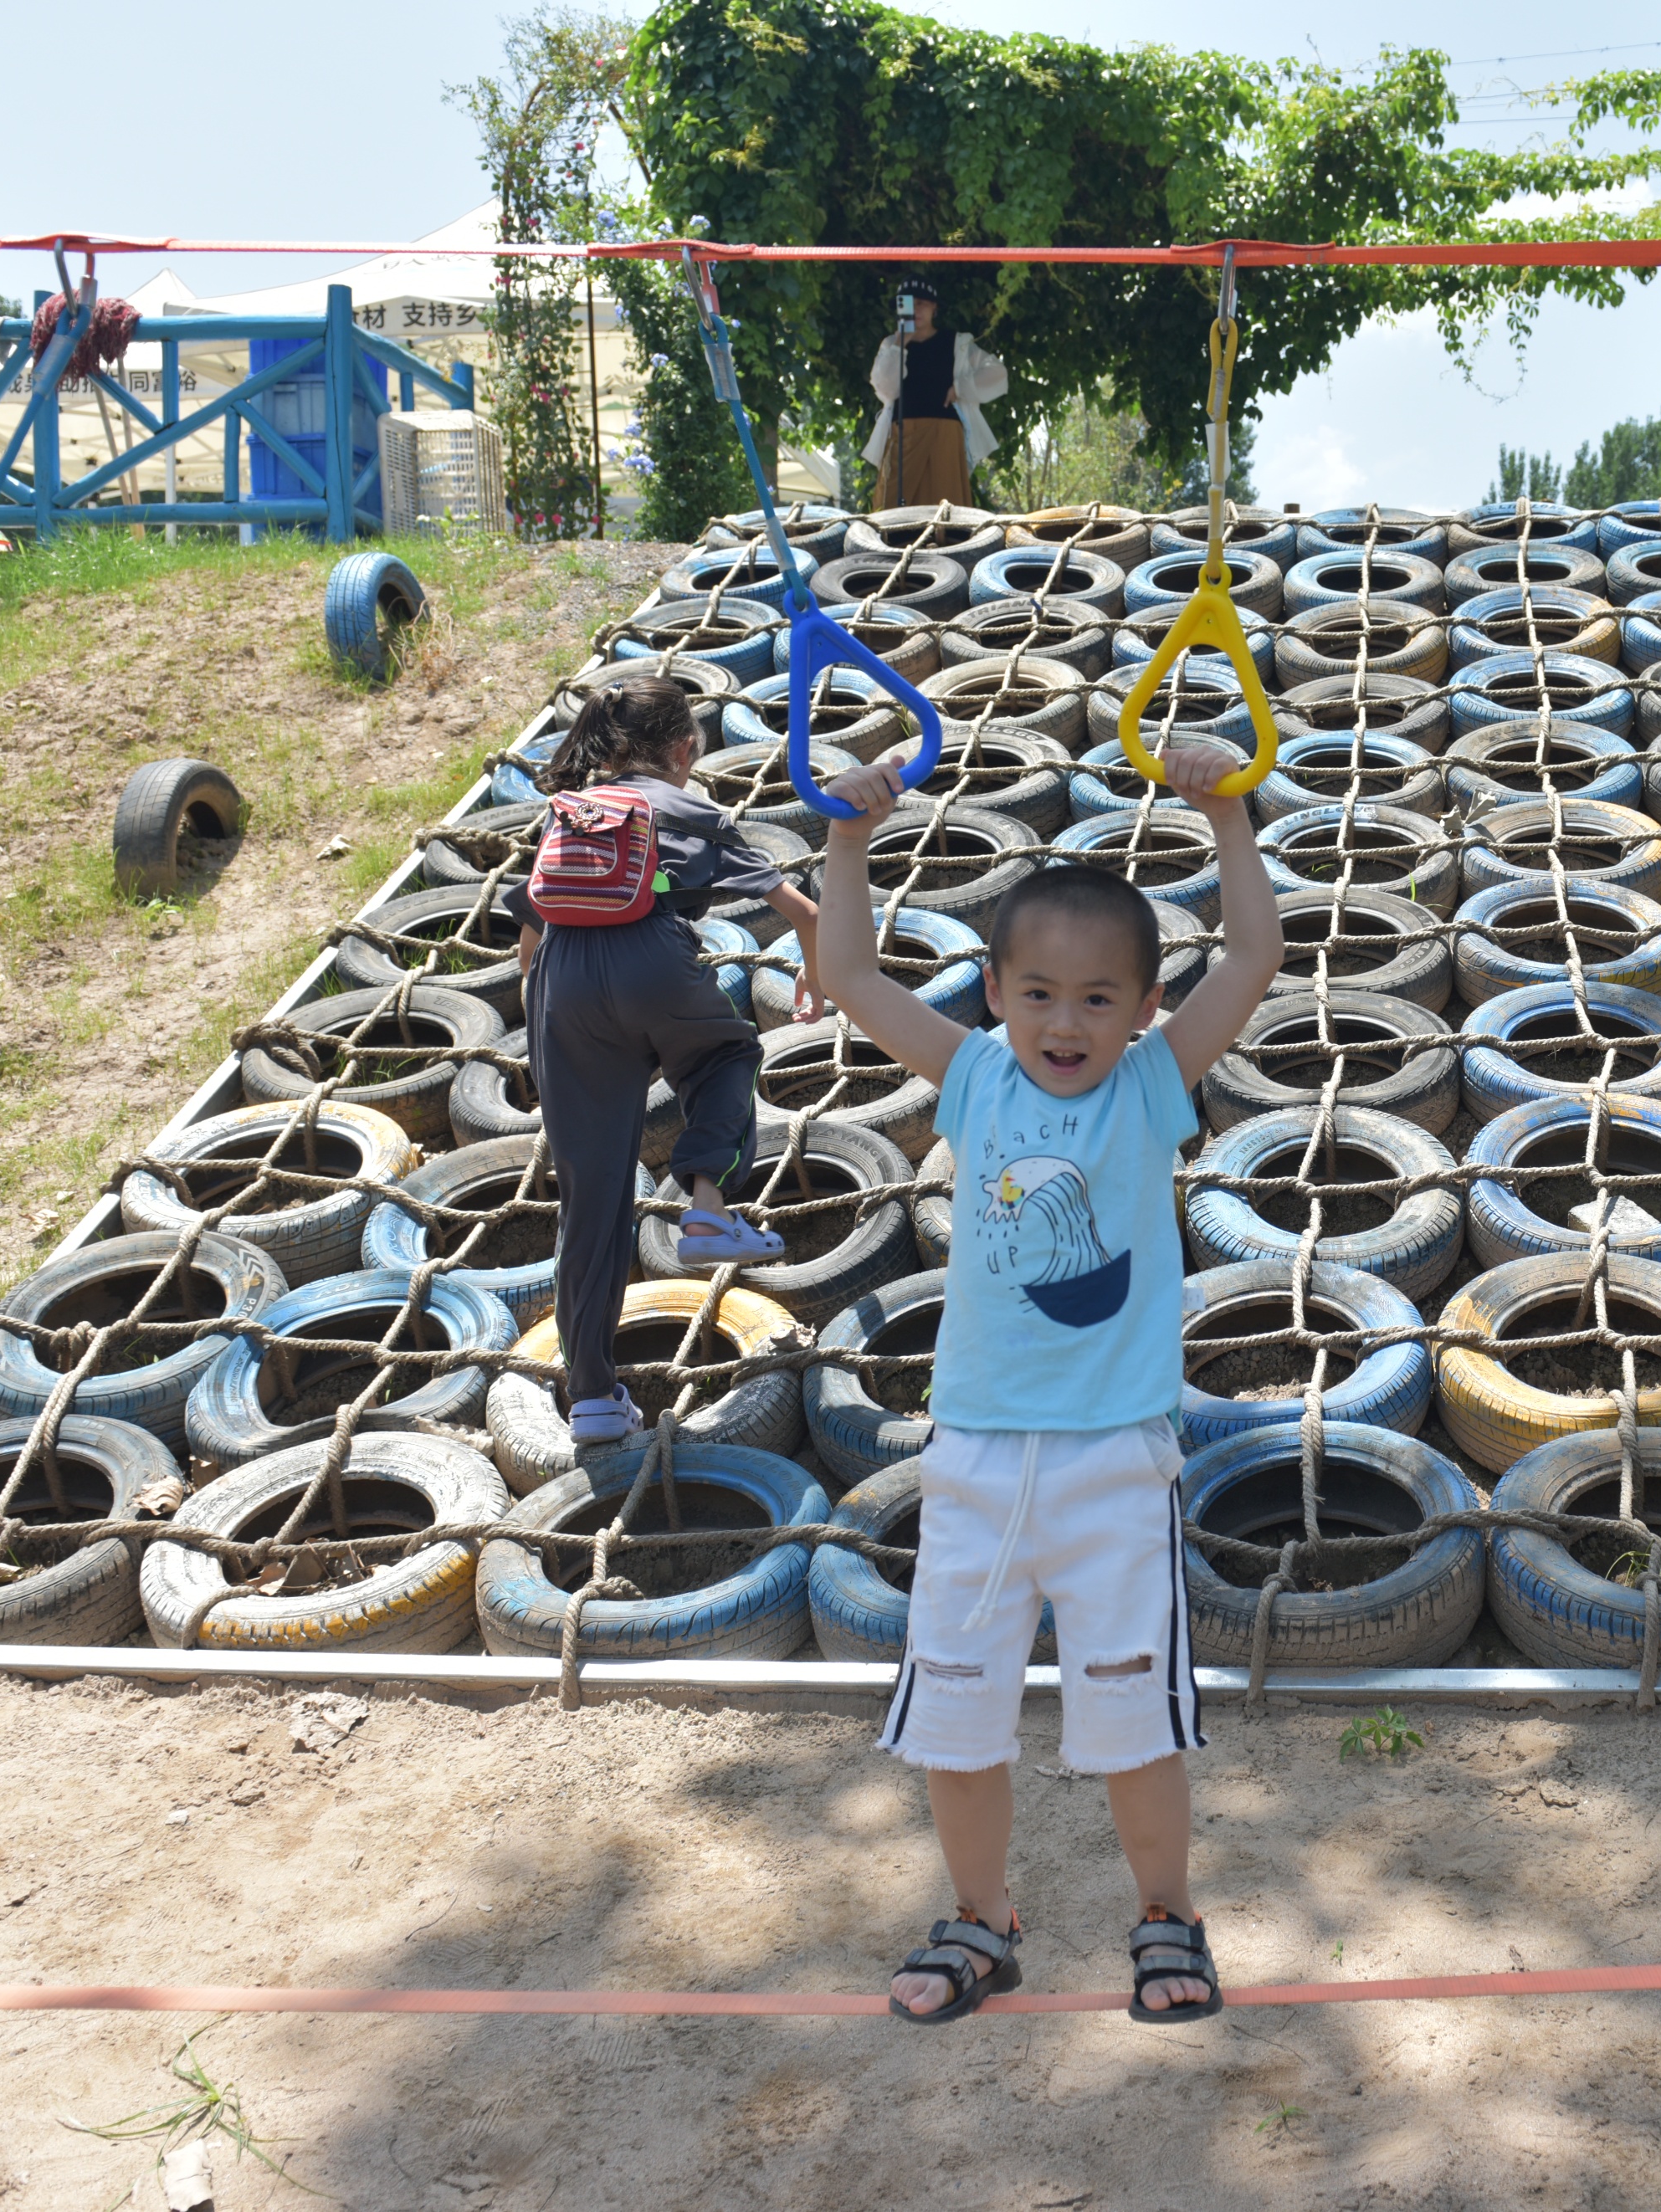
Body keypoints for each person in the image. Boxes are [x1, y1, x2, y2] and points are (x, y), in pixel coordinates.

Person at [808, 740, 1288, 2026]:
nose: (1063, 1024)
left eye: (1094, 999)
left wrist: (1226, 817)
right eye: (1037, 995)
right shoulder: (968, 1073)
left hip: (1112, 1463)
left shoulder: (1147, 1090)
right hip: (970, 1461)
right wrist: (851, 834)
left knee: (1135, 1728)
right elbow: (847, 971)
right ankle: (979, 1920)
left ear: (1140, 1010)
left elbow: (1249, 960)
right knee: (955, 1727)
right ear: (992, 995)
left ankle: (1164, 1919)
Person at [506, 676, 828, 1447]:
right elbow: (802, 910)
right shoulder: (687, 808)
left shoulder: (572, 814)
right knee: (724, 1050)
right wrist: (815, 973)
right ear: (685, 751)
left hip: (562, 984)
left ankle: (590, 1397)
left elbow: (528, 933)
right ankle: (708, 1209)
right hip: (657, 962)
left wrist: (552, 1014)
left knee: (591, 1199)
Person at [866, 279, 1009, 510]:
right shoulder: (892, 344)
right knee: (891, 508)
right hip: (903, 433)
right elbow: (885, 389)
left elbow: (997, 372)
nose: (916, 310)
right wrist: (900, 344)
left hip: (945, 433)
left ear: (934, 308)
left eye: (922, 303)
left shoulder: (957, 343)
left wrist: (960, 388)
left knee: (946, 505)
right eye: (910, 304)